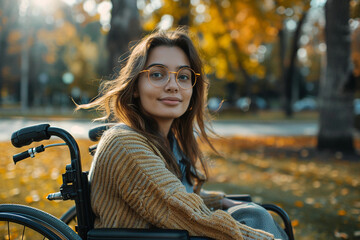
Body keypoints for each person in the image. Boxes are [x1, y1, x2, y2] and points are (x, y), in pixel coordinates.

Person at [78, 28, 288, 240]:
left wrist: (221, 201)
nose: (173, 86)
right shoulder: (124, 144)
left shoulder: (168, 141)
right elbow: (181, 211)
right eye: (157, 74)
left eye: (184, 76)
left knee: (252, 213)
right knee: (255, 218)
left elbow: (174, 194)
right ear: (135, 87)